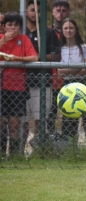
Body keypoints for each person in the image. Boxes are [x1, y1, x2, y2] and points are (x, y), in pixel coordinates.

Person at [58, 18, 86, 154]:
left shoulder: (84, 48)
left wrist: (68, 70)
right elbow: (59, 72)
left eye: (71, 28)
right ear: (62, 31)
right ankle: (70, 150)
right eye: (65, 28)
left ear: (75, 30)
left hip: (85, 84)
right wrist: (78, 67)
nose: (68, 30)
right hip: (68, 86)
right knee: (69, 119)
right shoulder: (60, 49)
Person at [24, 0, 61, 152]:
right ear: (26, 11)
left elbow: (57, 57)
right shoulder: (21, 32)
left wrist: (39, 57)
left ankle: (38, 152)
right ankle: (18, 151)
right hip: (21, 84)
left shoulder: (49, 33)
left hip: (42, 83)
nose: (35, 13)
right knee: (22, 121)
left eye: (39, 11)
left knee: (41, 120)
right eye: (33, 10)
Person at [0, 12, 38, 157]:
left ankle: (15, 155)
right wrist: (3, 42)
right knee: (1, 121)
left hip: (18, 86)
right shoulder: (1, 38)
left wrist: (17, 58)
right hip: (1, 86)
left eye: (16, 25)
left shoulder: (24, 39)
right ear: (4, 26)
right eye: (10, 25)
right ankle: (2, 154)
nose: (13, 28)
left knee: (15, 123)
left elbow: (34, 57)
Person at [47, 0, 70, 137]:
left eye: (64, 11)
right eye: (57, 10)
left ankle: (68, 140)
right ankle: (49, 139)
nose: (60, 14)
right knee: (51, 111)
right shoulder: (48, 31)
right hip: (52, 77)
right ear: (52, 12)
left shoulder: (70, 30)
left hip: (68, 77)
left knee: (68, 111)